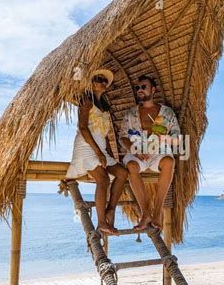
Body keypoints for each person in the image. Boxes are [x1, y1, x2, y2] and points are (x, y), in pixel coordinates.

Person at [66, 69, 127, 235]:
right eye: (99, 79)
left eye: (104, 81)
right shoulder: (86, 101)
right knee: (103, 179)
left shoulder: (105, 107)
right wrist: (98, 153)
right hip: (86, 147)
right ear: (91, 83)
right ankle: (101, 223)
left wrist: (109, 155)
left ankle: (111, 210)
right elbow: (83, 128)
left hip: (100, 149)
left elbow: (106, 136)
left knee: (122, 173)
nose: (103, 82)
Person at [120, 75, 180, 231]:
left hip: (158, 151)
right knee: (131, 166)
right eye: (138, 88)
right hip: (137, 151)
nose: (140, 90)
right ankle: (145, 213)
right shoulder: (130, 113)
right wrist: (136, 151)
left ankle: (157, 211)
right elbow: (123, 137)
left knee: (169, 162)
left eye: (143, 87)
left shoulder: (167, 113)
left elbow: (177, 139)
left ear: (153, 90)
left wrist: (166, 137)